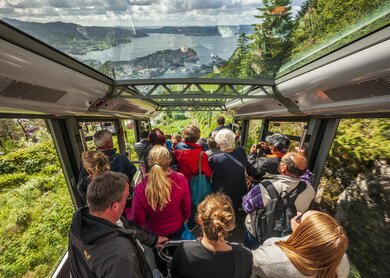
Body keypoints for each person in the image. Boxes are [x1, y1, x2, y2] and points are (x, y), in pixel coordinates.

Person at [68, 171, 167, 278]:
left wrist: (152, 240)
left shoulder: (79, 223)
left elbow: (126, 225)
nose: (129, 199)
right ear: (114, 206)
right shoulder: (122, 255)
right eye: (127, 197)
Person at [129, 145, 191, 276]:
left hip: (154, 235)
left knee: (159, 258)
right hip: (176, 227)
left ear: (149, 162)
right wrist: (186, 217)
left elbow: (137, 220)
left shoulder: (141, 188)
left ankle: (162, 273)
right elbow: (186, 206)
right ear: (169, 161)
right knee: (176, 253)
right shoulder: (180, 179)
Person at [242, 152, 315, 249]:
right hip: (286, 236)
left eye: (280, 161)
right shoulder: (310, 189)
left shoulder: (266, 186)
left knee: (250, 257)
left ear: (283, 167)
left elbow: (247, 206)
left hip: (257, 233)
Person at [170, 193, 253, 278]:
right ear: (230, 222)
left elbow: (174, 274)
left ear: (200, 220)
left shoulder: (185, 251)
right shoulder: (245, 256)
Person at [251, 211, 350, 278]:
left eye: (300, 217)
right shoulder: (341, 262)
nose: (298, 212)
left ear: (303, 233)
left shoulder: (268, 258)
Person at [209, 129, 248, 211]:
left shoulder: (216, 158)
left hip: (222, 194)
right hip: (238, 192)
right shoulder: (241, 152)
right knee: (235, 211)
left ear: (219, 143)